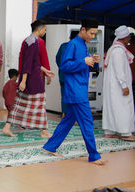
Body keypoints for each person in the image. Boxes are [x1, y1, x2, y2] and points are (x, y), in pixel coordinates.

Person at [42, 19, 106, 166]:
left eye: (95, 34)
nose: (93, 37)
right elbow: (64, 65)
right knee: (87, 123)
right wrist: (83, 61)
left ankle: (50, 146)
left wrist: (92, 62)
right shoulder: (72, 45)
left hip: (79, 88)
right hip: (76, 91)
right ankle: (94, 155)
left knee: (68, 120)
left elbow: (81, 66)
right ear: (82, 30)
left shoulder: (83, 45)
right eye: (91, 33)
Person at [1, 19, 54, 138]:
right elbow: (28, 63)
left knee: (20, 104)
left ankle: (7, 127)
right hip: (33, 80)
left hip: (30, 77)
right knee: (40, 104)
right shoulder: (34, 42)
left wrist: (45, 71)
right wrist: (24, 80)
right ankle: (44, 131)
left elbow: (34, 62)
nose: (45, 32)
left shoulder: (29, 40)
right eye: (45, 30)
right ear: (40, 29)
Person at [103, 25, 135, 141]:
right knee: (123, 107)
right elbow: (119, 70)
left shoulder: (115, 49)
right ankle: (125, 133)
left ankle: (110, 131)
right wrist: (124, 86)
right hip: (117, 86)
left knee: (113, 107)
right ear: (125, 38)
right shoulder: (118, 51)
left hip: (114, 86)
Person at [56, 32, 77, 115]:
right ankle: (72, 115)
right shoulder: (77, 47)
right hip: (73, 76)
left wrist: (62, 68)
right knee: (74, 97)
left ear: (69, 37)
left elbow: (57, 59)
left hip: (63, 75)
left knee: (64, 95)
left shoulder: (63, 46)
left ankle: (64, 114)